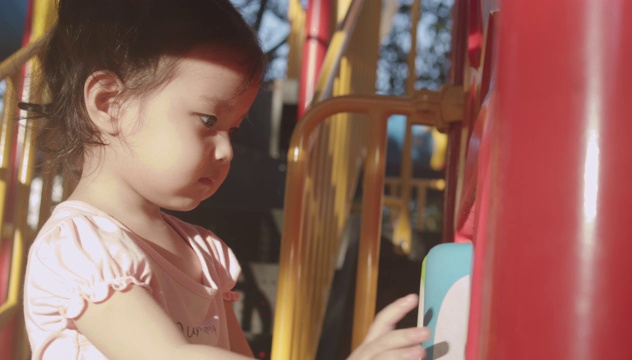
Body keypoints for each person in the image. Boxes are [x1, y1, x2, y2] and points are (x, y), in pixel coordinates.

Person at [21, 0, 430, 359]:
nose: (227, 151)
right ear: (110, 104)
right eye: (209, 120)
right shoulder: (81, 250)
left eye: (232, 129)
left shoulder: (203, 252)